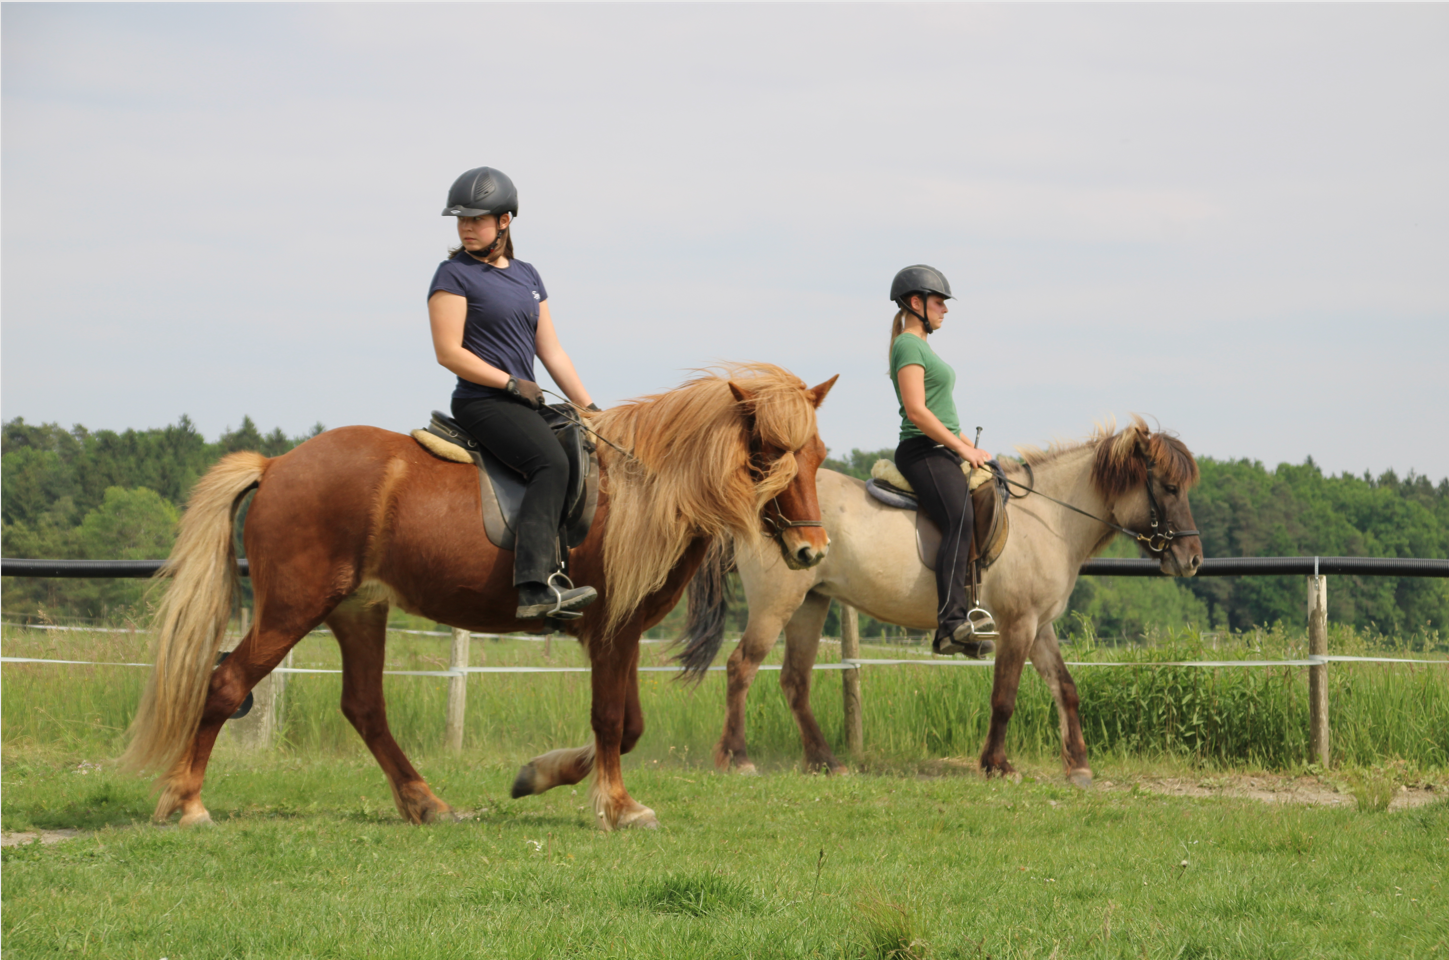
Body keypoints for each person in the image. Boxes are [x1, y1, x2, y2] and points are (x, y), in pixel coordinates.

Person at [428, 166, 599, 620]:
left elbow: (552, 352)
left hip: (523, 402)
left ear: (504, 221)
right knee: (551, 462)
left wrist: (591, 408)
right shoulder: (453, 275)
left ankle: (564, 569)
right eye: (461, 219)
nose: (466, 227)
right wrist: (507, 381)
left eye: (476, 219)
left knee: (581, 447)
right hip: (483, 402)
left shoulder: (528, 276)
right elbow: (448, 352)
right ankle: (534, 587)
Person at [887, 264, 996, 657]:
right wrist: (963, 449)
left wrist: (973, 448)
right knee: (959, 517)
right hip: (922, 450)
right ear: (915, 303)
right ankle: (950, 625)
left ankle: (975, 611)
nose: (945, 309)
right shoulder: (907, 345)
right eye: (939, 302)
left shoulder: (923, 347)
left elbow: (945, 419)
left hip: (942, 446)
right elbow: (918, 412)